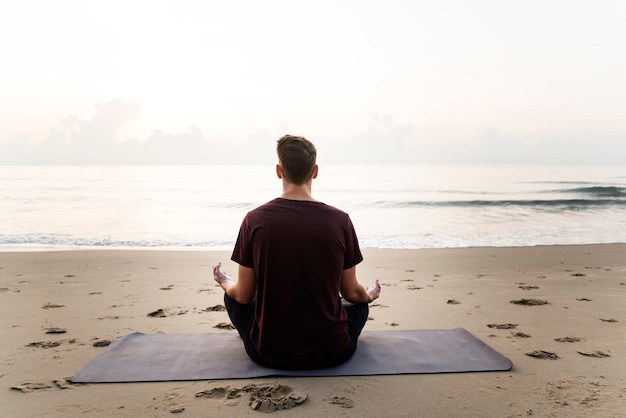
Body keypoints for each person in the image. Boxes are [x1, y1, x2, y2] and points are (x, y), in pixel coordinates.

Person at [213, 134, 381, 370]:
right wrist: (370, 295)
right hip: (332, 351)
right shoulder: (340, 221)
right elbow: (351, 293)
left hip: (269, 353)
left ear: (278, 171)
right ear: (315, 171)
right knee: (359, 303)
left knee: (231, 298)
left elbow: (243, 295)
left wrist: (224, 282)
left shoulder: (254, 220)